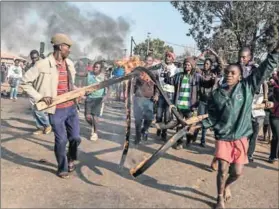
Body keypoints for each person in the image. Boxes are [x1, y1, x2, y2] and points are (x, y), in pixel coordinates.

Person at [191, 45, 279, 209]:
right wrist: (197, 125)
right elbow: (212, 117)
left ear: (240, 77)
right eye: (227, 73)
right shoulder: (216, 94)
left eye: (233, 73)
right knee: (222, 169)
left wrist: (275, 52)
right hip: (223, 137)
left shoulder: (247, 87)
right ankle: (219, 199)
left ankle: (227, 186)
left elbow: (265, 68)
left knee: (237, 172)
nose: (229, 75)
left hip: (240, 137)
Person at [21, 33, 81, 179]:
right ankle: (62, 167)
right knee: (61, 140)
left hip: (71, 107)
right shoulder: (42, 64)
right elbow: (24, 82)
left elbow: (71, 84)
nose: (69, 50)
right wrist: (40, 97)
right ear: (60, 47)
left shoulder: (70, 64)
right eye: (68, 47)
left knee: (76, 138)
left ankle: (71, 157)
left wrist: (78, 92)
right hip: (56, 109)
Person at [164, 57, 200, 149]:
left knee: (189, 125)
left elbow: (206, 83)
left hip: (190, 107)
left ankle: (189, 140)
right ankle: (179, 143)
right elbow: (169, 80)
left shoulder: (196, 76)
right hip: (179, 106)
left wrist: (212, 79)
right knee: (180, 125)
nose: (186, 66)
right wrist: (166, 73)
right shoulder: (179, 76)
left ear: (192, 66)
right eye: (185, 65)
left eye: (188, 65)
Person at [195, 49, 224, 147]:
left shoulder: (214, 73)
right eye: (205, 63)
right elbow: (193, 63)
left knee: (207, 121)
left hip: (211, 102)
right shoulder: (201, 72)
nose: (205, 65)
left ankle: (203, 140)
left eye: (207, 64)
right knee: (199, 120)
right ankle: (194, 135)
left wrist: (214, 53)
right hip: (202, 100)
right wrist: (201, 54)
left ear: (211, 65)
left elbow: (221, 65)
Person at [133, 55, 159, 145]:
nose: (148, 62)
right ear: (145, 61)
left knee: (149, 118)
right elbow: (133, 84)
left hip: (149, 99)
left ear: (152, 62)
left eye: (150, 60)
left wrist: (156, 95)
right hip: (138, 98)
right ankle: (137, 137)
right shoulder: (139, 71)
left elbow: (158, 85)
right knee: (138, 119)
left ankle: (144, 130)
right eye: (147, 60)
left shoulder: (155, 72)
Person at [25, 49, 52, 135]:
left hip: (42, 91)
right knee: (34, 111)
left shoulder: (44, 65)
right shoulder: (30, 66)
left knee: (39, 110)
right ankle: (40, 127)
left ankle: (47, 125)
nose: (34, 60)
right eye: (32, 58)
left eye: (36, 58)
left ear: (38, 57)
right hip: (33, 91)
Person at [156, 51, 179, 141]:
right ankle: (159, 127)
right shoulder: (160, 68)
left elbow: (176, 82)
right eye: (166, 56)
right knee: (158, 114)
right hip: (161, 92)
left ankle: (164, 132)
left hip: (170, 93)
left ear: (173, 59)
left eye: (169, 56)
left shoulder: (175, 69)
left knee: (167, 115)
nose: (167, 58)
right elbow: (157, 79)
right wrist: (156, 93)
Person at [84, 61, 107, 141]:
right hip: (89, 97)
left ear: (100, 69)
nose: (95, 68)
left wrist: (106, 96)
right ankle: (94, 127)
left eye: (97, 67)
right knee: (87, 117)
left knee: (95, 116)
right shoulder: (89, 74)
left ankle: (95, 133)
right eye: (94, 67)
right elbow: (82, 79)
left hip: (98, 98)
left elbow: (109, 86)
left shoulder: (103, 77)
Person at [268, 70, 279, 163]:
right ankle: (272, 155)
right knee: (276, 135)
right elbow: (269, 97)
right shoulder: (273, 86)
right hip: (275, 114)